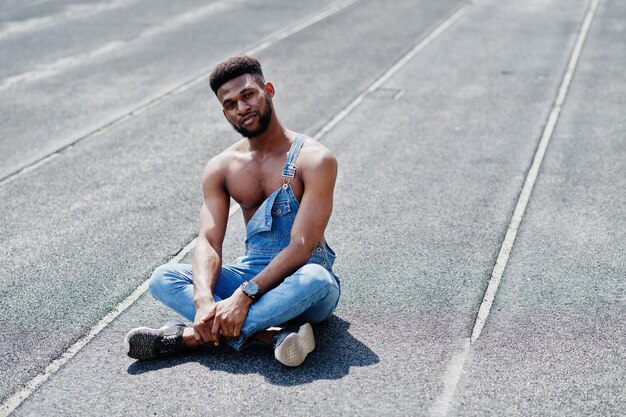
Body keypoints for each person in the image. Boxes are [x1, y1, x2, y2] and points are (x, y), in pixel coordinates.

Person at [124, 56, 340, 367]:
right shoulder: (221, 168)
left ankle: (190, 338)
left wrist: (243, 296)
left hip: (302, 283)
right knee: (163, 277)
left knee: (317, 279)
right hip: (249, 271)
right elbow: (209, 241)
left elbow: (302, 246)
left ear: (268, 90)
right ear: (224, 112)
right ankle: (271, 336)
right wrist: (202, 300)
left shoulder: (316, 160)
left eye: (248, 95)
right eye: (230, 104)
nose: (241, 108)